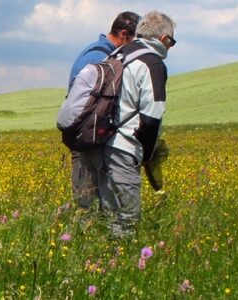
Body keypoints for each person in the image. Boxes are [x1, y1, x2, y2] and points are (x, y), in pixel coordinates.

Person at [79, 10, 176, 237]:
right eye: (172, 41)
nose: (171, 48)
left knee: (106, 217)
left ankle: (99, 264)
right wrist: (147, 156)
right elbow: (152, 118)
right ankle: (119, 265)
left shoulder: (117, 54)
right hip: (124, 149)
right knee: (126, 222)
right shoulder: (152, 64)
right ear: (163, 39)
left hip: (98, 144)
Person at [67, 11, 141, 208]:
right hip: (87, 140)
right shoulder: (100, 58)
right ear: (124, 34)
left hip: (86, 138)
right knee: (87, 203)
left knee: (89, 201)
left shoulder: (96, 52)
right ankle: (75, 235)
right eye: (135, 41)